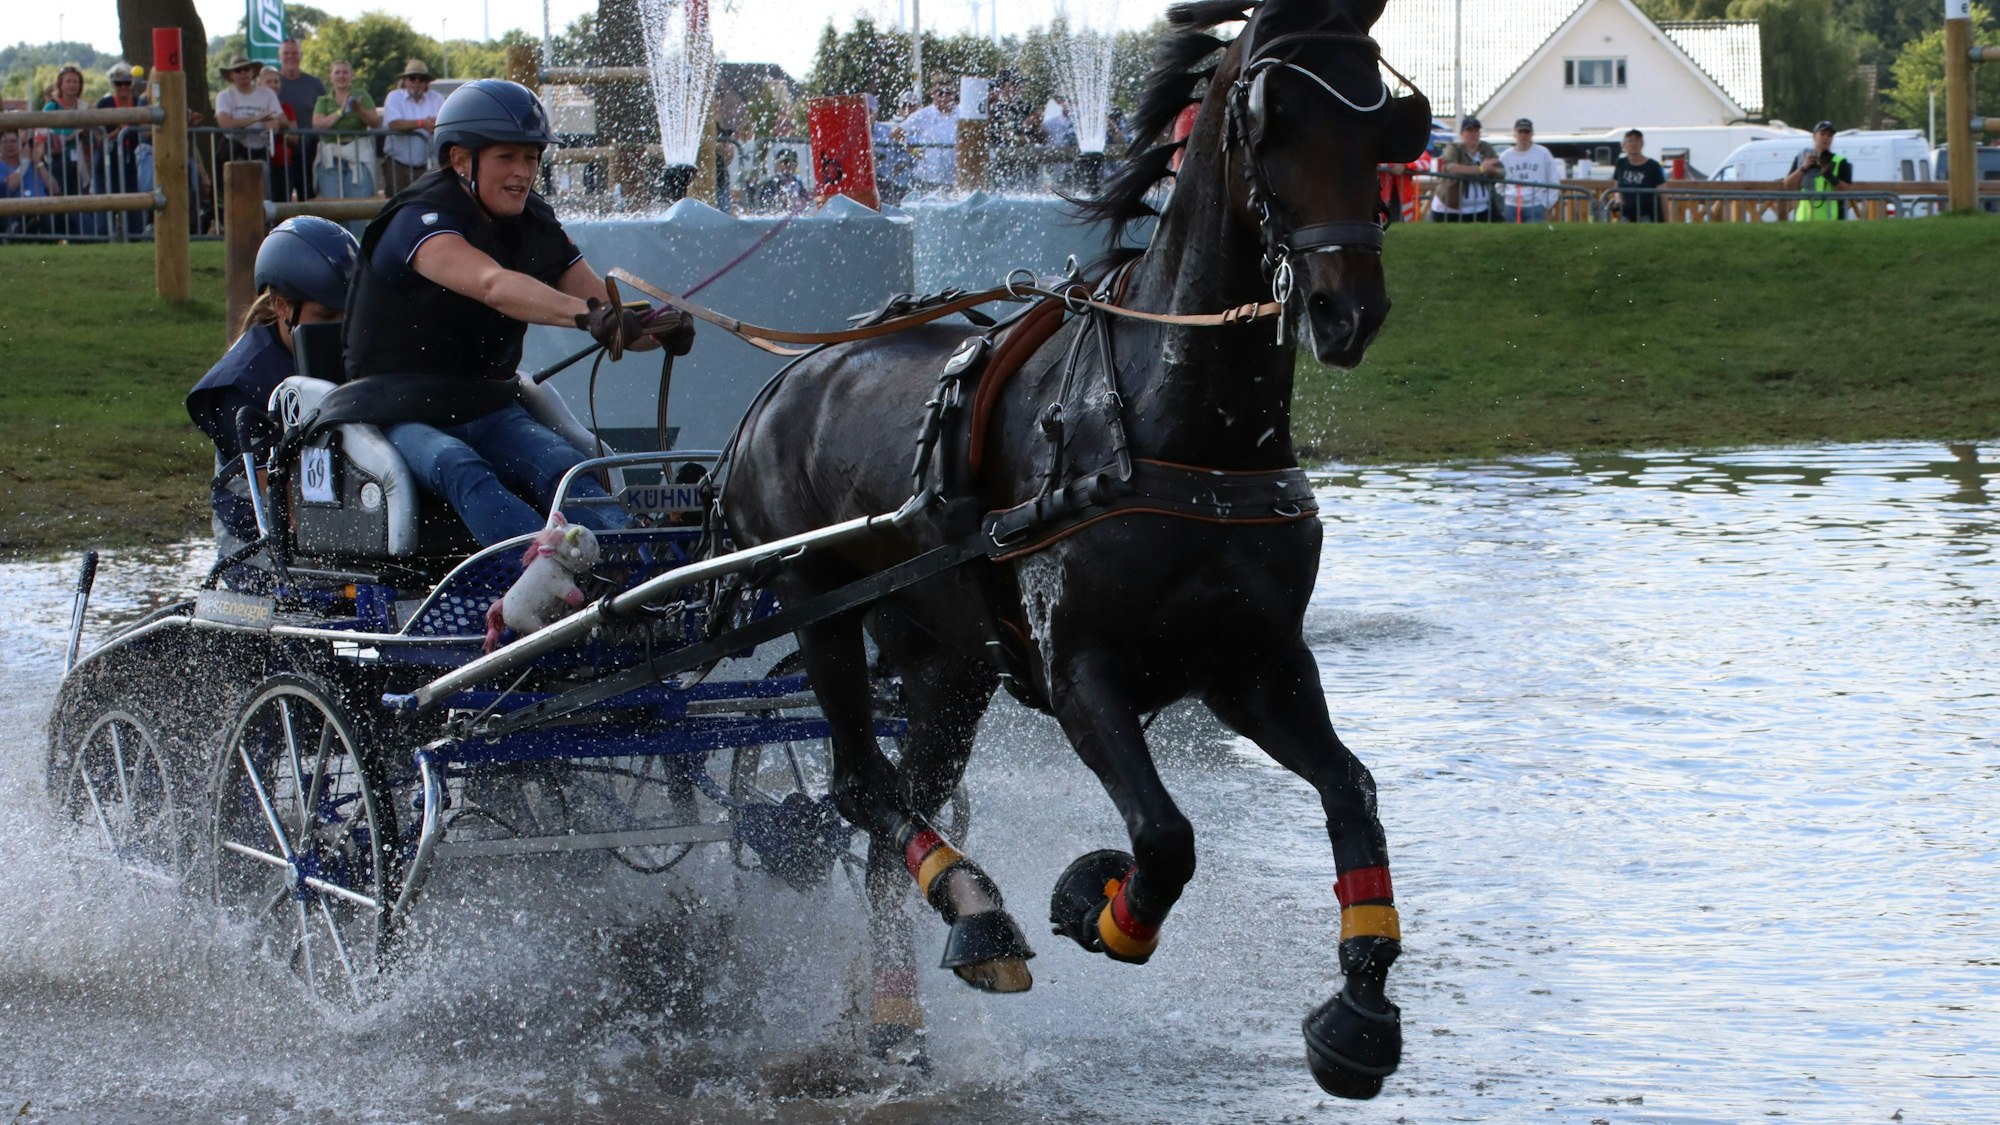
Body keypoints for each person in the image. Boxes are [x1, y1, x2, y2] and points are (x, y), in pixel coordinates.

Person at [341, 79, 693, 546]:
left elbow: (606, 310)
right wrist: (592, 318)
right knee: (459, 465)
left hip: (485, 406)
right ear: (461, 160)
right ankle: (546, 571)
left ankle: (636, 557)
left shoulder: (534, 222)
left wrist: (656, 326)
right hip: (397, 415)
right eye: (506, 157)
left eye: (531, 158)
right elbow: (495, 286)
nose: (523, 172)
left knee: (562, 464)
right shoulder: (416, 222)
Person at [186, 217, 358, 579]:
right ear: (283, 308)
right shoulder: (239, 383)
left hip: (335, 533)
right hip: (254, 551)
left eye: (348, 316)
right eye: (326, 315)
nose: (338, 329)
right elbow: (281, 499)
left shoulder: (352, 354)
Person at [214, 55, 286, 203]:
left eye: (246, 69)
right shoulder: (224, 96)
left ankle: (263, 223)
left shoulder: (267, 94)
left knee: (262, 193)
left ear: (253, 72)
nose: (242, 73)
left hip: (260, 150)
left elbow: (282, 119)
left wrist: (275, 122)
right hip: (232, 150)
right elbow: (224, 122)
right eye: (237, 70)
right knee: (233, 194)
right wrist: (256, 119)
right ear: (231, 75)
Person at [311, 59, 383, 200]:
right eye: (337, 72)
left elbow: (375, 122)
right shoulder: (323, 100)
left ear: (351, 76)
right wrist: (340, 112)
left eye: (345, 72)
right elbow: (317, 125)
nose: (341, 76)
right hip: (330, 156)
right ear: (331, 77)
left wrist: (359, 109)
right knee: (332, 207)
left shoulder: (361, 95)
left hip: (358, 155)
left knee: (358, 207)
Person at [41, 65, 94, 236]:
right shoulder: (51, 107)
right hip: (55, 161)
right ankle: (58, 236)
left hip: (79, 161)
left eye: (76, 81)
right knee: (58, 198)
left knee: (78, 197)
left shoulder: (84, 108)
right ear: (61, 84)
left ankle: (80, 237)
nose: (72, 85)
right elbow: (42, 131)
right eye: (68, 81)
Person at [381, 59, 443, 196]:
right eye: (412, 78)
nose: (416, 82)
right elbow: (394, 124)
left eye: (421, 79)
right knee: (395, 207)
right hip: (397, 166)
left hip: (427, 167)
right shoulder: (394, 97)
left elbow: (443, 122)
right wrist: (422, 124)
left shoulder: (437, 98)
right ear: (405, 80)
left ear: (427, 82)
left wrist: (436, 125)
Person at [274, 39, 326, 198]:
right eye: (286, 53)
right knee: (280, 197)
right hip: (279, 149)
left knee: (308, 196)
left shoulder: (314, 84)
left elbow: (325, 110)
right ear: (279, 56)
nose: (290, 56)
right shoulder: (271, 82)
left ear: (301, 56)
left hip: (309, 149)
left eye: (294, 53)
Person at [1429, 116, 1504, 222]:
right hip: (1450, 209)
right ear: (1462, 134)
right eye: (1469, 130)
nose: (1473, 134)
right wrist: (1481, 169)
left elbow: (1501, 171)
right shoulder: (1453, 148)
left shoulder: (1486, 148)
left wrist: (1494, 171)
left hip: (1481, 208)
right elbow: (1451, 168)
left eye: (1476, 131)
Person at [986, 68, 1045, 191]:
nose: (1020, 87)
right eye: (1015, 84)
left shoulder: (1029, 108)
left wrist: (1035, 129)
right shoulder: (992, 109)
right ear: (1003, 85)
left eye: (1021, 84)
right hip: (1000, 166)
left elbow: (1041, 137)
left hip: (1027, 165)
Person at [899, 76, 959, 192]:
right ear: (933, 94)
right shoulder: (924, 114)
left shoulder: (961, 113)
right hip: (928, 177)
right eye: (940, 93)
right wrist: (913, 150)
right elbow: (896, 133)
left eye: (948, 93)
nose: (944, 97)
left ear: (954, 94)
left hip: (955, 178)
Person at [1784, 120, 1852, 222]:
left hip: (1831, 220)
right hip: (1803, 219)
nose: (1826, 138)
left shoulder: (1840, 161)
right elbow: (1788, 185)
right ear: (1814, 136)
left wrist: (1828, 175)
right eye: (1822, 134)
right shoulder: (1802, 158)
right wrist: (1803, 168)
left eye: (1829, 135)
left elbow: (1848, 191)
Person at [0, 130, 62, 237]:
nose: (9, 145)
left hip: (43, 208)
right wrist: (24, 163)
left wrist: (39, 164)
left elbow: (55, 189)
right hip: (17, 212)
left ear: (21, 145)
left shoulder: (34, 164)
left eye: (13, 141)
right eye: (4, 142)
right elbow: (8, 187)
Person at [1498, 117, 1561, 223]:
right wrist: (1509, 197)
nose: (1523, 135)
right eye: (1520, 131)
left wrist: (1546, 204)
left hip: (1536, 206)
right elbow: (1499, 183)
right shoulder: (1505, 156)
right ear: (1515, 134)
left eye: (1527, 132)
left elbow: (1554, 180)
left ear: (1532, 134)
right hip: (1512, 206)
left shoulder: (1543, 153)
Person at [257, 68, 304, 202]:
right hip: (261, 161)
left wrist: (281, 128)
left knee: (283, 205)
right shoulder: (255, 107)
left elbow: (295, 138)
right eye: (268, 81)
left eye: (276, 81)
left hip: (283, 164)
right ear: (260, 85)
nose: (273, 85)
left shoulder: (287, 108)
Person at [1612, 128, 1666, 223]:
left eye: (1637, 140)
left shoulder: (1653, 166)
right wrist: (1618, 200)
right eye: (1630, 141)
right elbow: (1616, 187)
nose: (1634, 144)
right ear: (1624, 144)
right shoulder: (1620, 163)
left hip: (1648, 215)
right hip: (1626, 215)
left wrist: (1666, 219)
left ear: (1642, 144)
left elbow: (1663, 193)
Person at [755, 147, 811, 212]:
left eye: (792, 162)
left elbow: (804, 198)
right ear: (777, 165)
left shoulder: (798, 182)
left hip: (796, 216)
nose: (788, 165)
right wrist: (779, 200)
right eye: (785, 162)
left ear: (796, 165)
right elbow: (765, 202)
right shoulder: (772, 183)